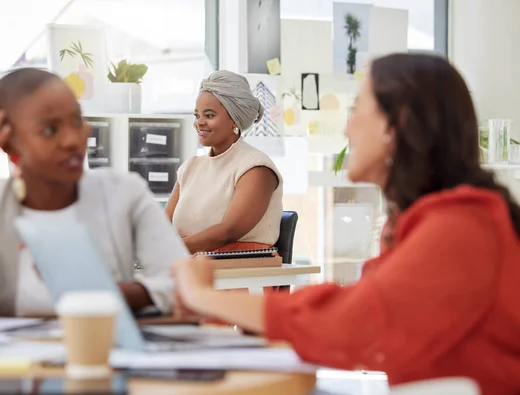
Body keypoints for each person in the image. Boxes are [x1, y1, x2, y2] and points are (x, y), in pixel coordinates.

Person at [172, 53, 520, 394]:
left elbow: (353, 323)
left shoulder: (459, 228)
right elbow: (366, 305)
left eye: (356, 110)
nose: (346, 127)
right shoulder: (418, 224)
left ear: (396, 126)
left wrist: (203, 295)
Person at [0, 68, 189, 318]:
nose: (72, 139)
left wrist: (103, 295)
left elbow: (186, 285)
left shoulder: (124, 193)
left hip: (101, 352)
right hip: (13, 357)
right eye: (50, 130)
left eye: (77, 120)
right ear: (8, 143)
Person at [165, 70, 283, 254]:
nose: (199, 123)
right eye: (197, 115)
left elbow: (228, 231)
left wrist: (169, 249)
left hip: (243, 273)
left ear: (234, 120)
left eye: (209, 115)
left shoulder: (255, 167)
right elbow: (163, 227)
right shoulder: (189, 168)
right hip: (192, 267)